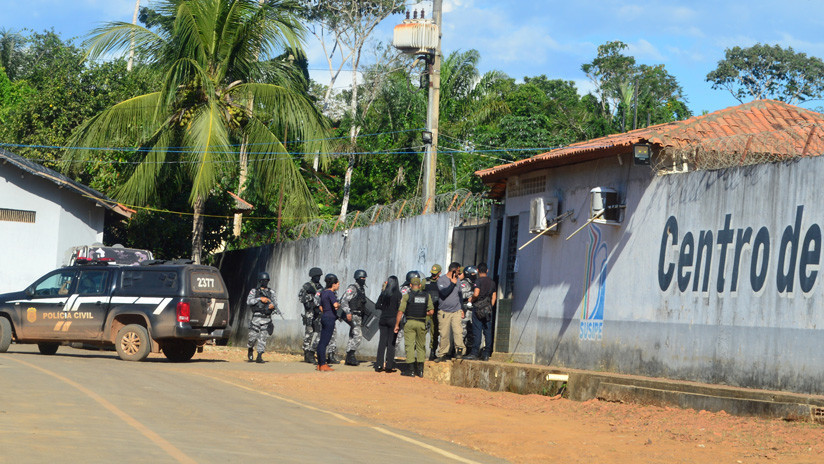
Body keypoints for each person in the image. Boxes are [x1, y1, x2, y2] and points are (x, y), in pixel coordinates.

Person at [395, 277, 433, 377]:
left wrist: (397, 325)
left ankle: (410, 370)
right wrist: (422, 313)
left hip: (410, 323)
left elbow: (400, 311)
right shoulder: (426, 296)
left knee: (409, 346)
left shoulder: (407, 296)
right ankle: (420, 371)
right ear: (420, 285)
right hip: (421, 323)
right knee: (421, 346)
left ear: (410, 285)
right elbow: (431, 311)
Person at [464, 263, 497, 361]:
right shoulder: (492, 282)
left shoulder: (478, 281)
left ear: (477, 270)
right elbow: (494, 297)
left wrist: (471, 299)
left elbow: (476, 293)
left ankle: (474, 353)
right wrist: (490, 307)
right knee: (487, 331)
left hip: (478, 308)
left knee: (477, 330)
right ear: (487, 270)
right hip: (488, 309)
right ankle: (486, 353)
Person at [435, 262, 465, 362]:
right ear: (454, 270)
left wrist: (462, 309)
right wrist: (452, 283)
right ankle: (442, 353)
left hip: (456, 311)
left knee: (458, 332)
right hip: (444, 312)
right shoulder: (441, 280)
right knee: (444, 333)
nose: (459, 273)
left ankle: (459, 351)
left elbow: (460, 295)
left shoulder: (458, 281)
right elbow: (443, 293)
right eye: (458, 271)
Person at [246, 272, 280, 364]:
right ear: (260, 281)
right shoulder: (254, 291)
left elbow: (275, 303)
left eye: (267, 281)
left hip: (266, 318)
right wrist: (260, 299)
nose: (265, 282)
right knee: (252, 337)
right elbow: (249, 301)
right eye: (264, 281)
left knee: (263, 338)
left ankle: (259, 355)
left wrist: (272, 306)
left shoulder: (271, 292)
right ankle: (250, 348)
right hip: (256, 318)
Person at [340, 269, 368, 366]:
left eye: (365, 278)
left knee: (352, 336)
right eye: (362, 278)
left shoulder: (361, 289)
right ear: (357, 278)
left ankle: (349, 357)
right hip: (353, 315)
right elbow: (343, 301)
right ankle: (351, 355)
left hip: (359, 316)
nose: (364, 279)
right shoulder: (353, 288)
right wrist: (348, 312)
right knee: (358, 336)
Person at [375, 276, 401, 373]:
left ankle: (378, 365)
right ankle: (389, 366)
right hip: (393, 319)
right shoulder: (398, 294)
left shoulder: (384, 293)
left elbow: (377, 305)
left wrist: (384, 308)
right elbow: (400, 308)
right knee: (391, 343)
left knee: (382, 342)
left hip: (383, 319)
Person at [298, 267, 323, 364]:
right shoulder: (307, 286)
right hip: (309, 312)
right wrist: (311, 297)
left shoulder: (320, 287)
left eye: (319, 276)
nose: (318, 278)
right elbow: (301, 298)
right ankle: (307, 353)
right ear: (312, 276)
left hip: (317, 312)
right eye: (316, 276)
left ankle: (311, 352)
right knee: (309, 333)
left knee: (317, 332)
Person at [316, 274, 341, 372]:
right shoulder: (331, 293)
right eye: (337, 284)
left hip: (324, 317)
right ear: (333, 284)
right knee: (324, 342)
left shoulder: (323, 292)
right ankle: (323, 364)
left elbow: (320, 307)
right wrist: (339, 305)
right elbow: (335, 305)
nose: (338, 286)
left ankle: (320, 364)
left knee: (321, 341)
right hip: (330, 318)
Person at [424, 264, 442, 361]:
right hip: (426, 311)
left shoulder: (442, 282)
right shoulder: (425, 281)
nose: (433, 275)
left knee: (434, 333)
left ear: (439, 273)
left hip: (436, 311)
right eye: (432, 273)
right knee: (422, 332)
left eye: (435, 274)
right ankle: (420, 354)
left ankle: (432, 352)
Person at [460, 265, 478, 353]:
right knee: (462, 331)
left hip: (473, 311)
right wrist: (472, 294)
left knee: (471, 331)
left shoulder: (475, 283)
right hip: (465, 310)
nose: (475, 275)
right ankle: (459, 350)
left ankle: (469, 350)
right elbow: (461, 295)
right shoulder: (464, 283)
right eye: (473, 273)